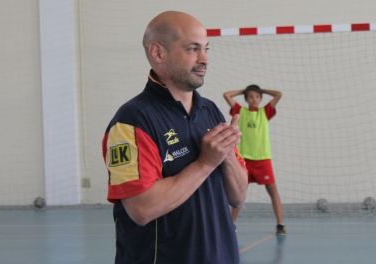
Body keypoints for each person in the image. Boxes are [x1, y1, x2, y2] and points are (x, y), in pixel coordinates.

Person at [101, 11, 248, 264]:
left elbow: (238, 196)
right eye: (193, 49)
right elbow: (142, 208)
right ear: (158, 53)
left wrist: (226, 157)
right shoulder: (132, 121)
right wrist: (206, 163)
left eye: (206, 49)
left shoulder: (210, 111)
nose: (204, 59)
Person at [223, 84, 286, 235]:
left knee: (273, 191)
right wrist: (242, 91)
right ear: (246, 98)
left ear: (261, 98)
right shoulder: (241, 111)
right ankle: (231, 225)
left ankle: (280, 224)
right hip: (244, 160)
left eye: (257, 97)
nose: (254, 99)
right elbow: (227, 95)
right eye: (250, 96)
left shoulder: (265, 112)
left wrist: (263, 90)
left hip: (263, 159)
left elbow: (278, 94)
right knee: (239, 193)